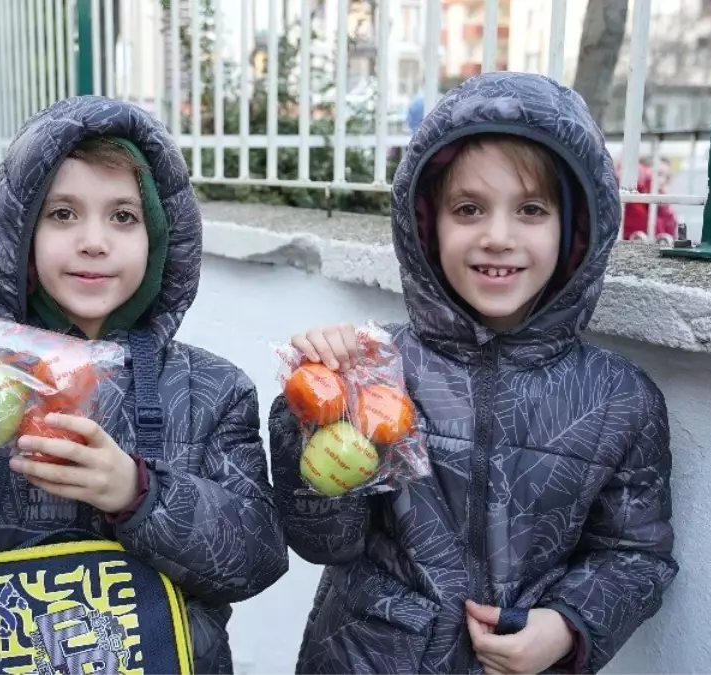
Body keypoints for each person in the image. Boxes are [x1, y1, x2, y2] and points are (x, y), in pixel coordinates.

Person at [0, 97, 289, 674]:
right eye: (62, 214)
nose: (93, 241)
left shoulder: (212, 390)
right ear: (20, 237)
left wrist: (140, 494)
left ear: (159, 242)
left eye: (123, 217)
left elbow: (254, 559)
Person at [271, 72, 677, 675]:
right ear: (426, 225)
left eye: (531, 209)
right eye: (469, 209)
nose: (497, 236)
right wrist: (315, 412)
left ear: (575, 230)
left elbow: (636, 553)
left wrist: (566, 626)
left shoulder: (620, 400)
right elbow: (325, 542)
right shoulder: (376, 369)